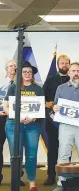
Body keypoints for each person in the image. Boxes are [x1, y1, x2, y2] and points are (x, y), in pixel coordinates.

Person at [52, 62, 79, 191]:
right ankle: (61, 181)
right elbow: (55, 106)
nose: (76, 73)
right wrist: (55, 108)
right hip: (65, 126)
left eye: (78, 71)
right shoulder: (61, 88)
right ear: (69, 73)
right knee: (63, 153)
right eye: (73, 71)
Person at [3, 61, 44, 191]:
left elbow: (41, 108)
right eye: (25, 71)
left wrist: (33, 117)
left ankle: (32, 184)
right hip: (13, 125)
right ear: (20, 73)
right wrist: (15, 116)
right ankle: (16, 181)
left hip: (32, 125)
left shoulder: (38, 89)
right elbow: (6, 105)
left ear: (32, 74)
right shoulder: (13, 87)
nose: (27, 74)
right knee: (16, 155)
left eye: (30, 72)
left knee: (32, 155)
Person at [42, 55, 70, 185]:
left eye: (66, 63)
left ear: (69, 65)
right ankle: (51, 176)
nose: (64, 65)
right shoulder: (50, 79)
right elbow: (41, 97)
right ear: (58, 65)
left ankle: (67, 176)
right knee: (53, 149)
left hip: (69, 121)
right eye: (62, 63)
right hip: (52, 121)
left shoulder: (74, 79)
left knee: (67, 149)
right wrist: (46, 103)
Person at [0, 59, 16, 185]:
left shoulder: (21, 83)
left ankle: (17, 177)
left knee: (15, 148)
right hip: (0, 118)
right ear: (6, 68)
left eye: (15, 66)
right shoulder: (1, 82)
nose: (13, 68)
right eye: (10, 66)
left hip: (14, 120)